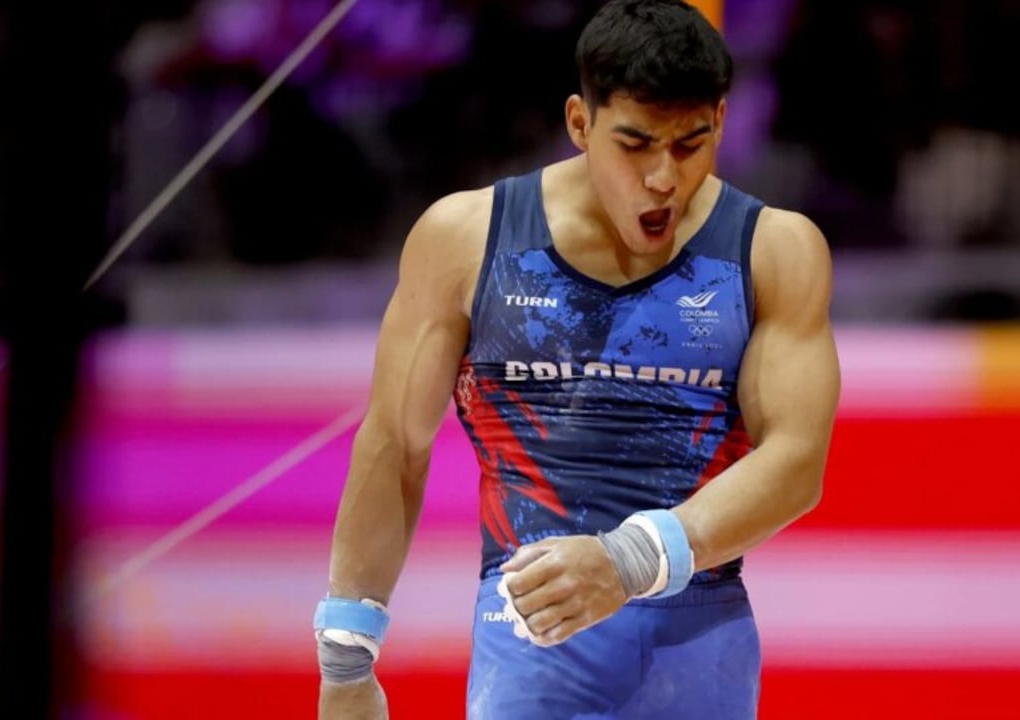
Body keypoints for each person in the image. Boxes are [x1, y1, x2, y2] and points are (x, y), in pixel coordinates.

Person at [315, 1, 840, 717]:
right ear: (580, 124)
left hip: (697, 645)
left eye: (690, 144)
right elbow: (394, 446)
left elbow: (797, 463)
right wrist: (347, 657)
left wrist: (625, 563)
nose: (663, 178)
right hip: (530, 631)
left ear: (721, 121)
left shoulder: (773, 251)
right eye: (636, 143)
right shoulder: (467, 239)